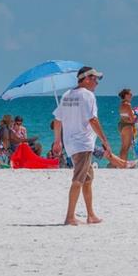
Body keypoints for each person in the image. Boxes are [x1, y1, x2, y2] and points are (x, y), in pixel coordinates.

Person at [51, 66, 112, 226]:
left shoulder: (67, 95)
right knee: (78, 179)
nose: (97, 82)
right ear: (86, 79)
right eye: (94, 79)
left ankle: (90, 215)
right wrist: (105, 140)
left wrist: (57, 141)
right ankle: (70, 216)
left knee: (87, 179)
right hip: (83, 143)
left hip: (71, 143)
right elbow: (93, 120)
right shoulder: (88, 96)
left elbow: (57, 120)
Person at [117, 88, 135, 160]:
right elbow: (132, 119)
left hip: (122, 125)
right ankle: (123, 163)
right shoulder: (128, 104)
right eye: (130, 94)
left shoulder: (122, 104)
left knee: (123, 147)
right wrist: (137, 116)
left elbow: (124, 116)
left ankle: (121, 163)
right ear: (126, 95)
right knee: (126, 147)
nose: (132, 95)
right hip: (127, 126)